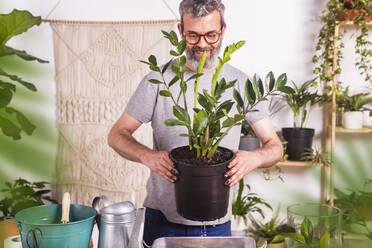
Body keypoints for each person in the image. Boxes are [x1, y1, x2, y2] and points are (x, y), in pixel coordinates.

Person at [108, 0, 283, 246]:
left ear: (223, 30)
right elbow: (116, 135)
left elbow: (275, 146)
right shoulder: (159, 80)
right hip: (162, 221)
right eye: (193, 35)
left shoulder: (242, 83)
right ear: (180, 31)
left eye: (211, 35)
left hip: (216, 222)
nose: (202, 44)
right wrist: (148, 155)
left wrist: (254, 158)